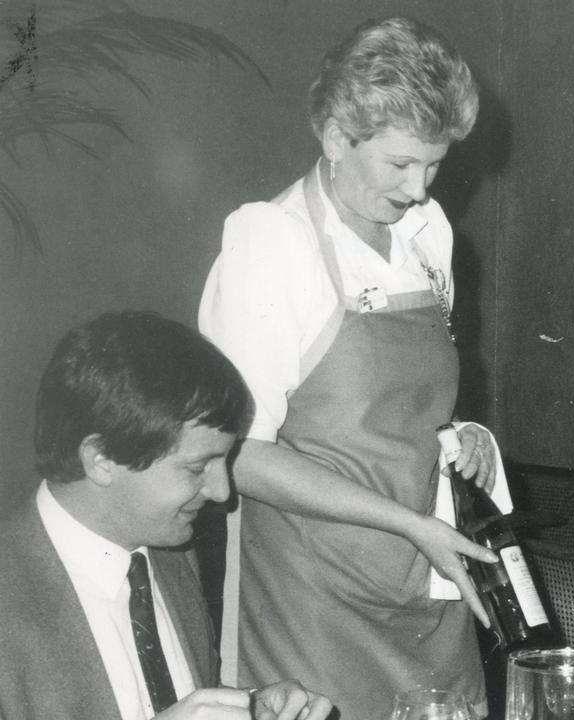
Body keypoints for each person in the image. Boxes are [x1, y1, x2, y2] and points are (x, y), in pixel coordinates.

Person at [198, 17, 501, 720]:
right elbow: (235, 453)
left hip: (427, 584)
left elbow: (404, 410)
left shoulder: (427, 233)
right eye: (400, 164)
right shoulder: (272, 245)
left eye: (436, 163)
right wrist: (407, 523)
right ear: (336, 138)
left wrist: (464, 436)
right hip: (311, 599)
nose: (421, 188)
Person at [0, 311, 333, 720]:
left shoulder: (169, 554)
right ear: (101, 459)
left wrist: (249, 705)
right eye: (197, 468)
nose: (223, 492)